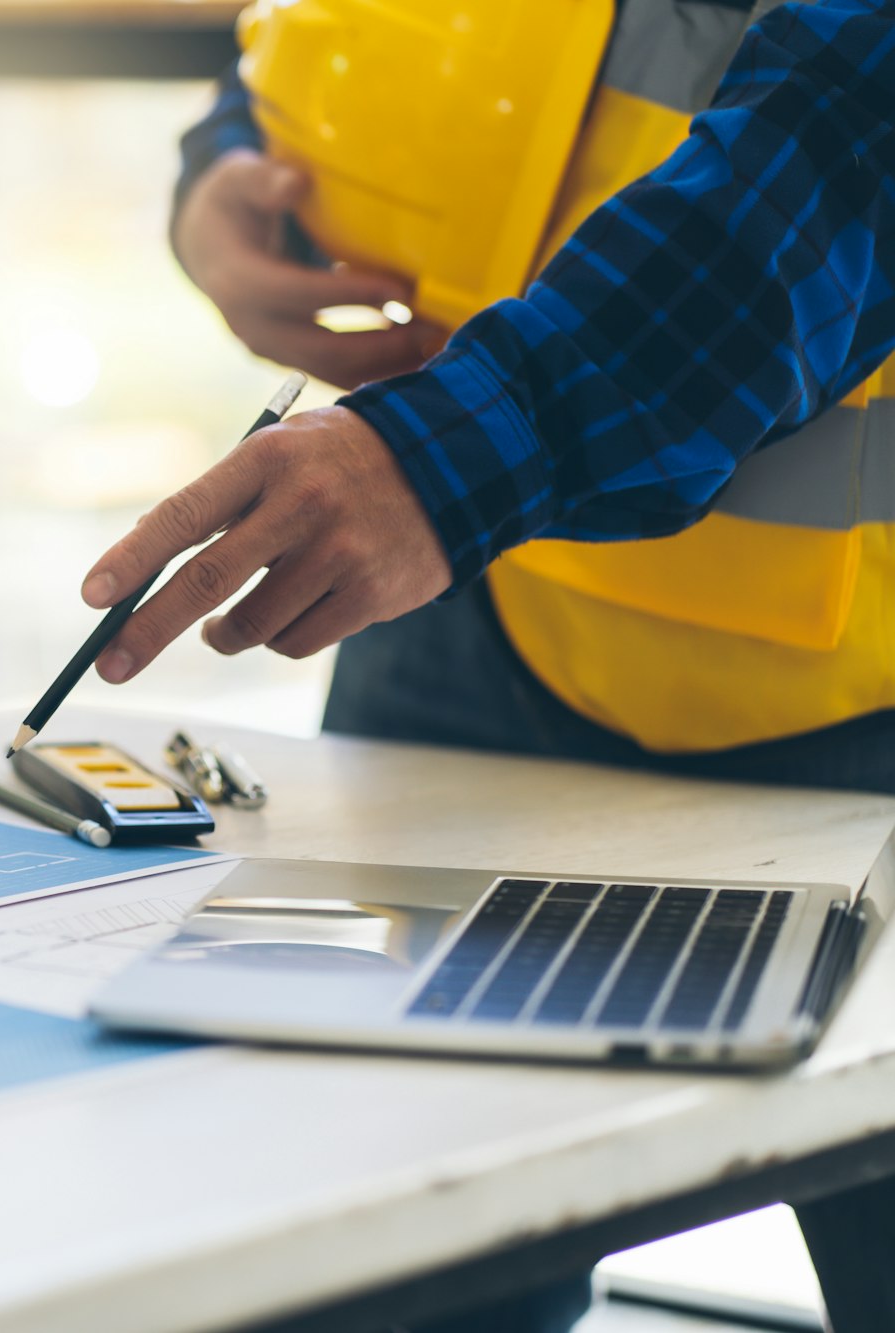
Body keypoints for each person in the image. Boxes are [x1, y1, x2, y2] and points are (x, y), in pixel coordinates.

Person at [92, 1, 895, 1329]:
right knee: (355, 1277)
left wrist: (458, 447)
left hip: (855, 705)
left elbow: (850, 136)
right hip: (468, 621)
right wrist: (229, 166)